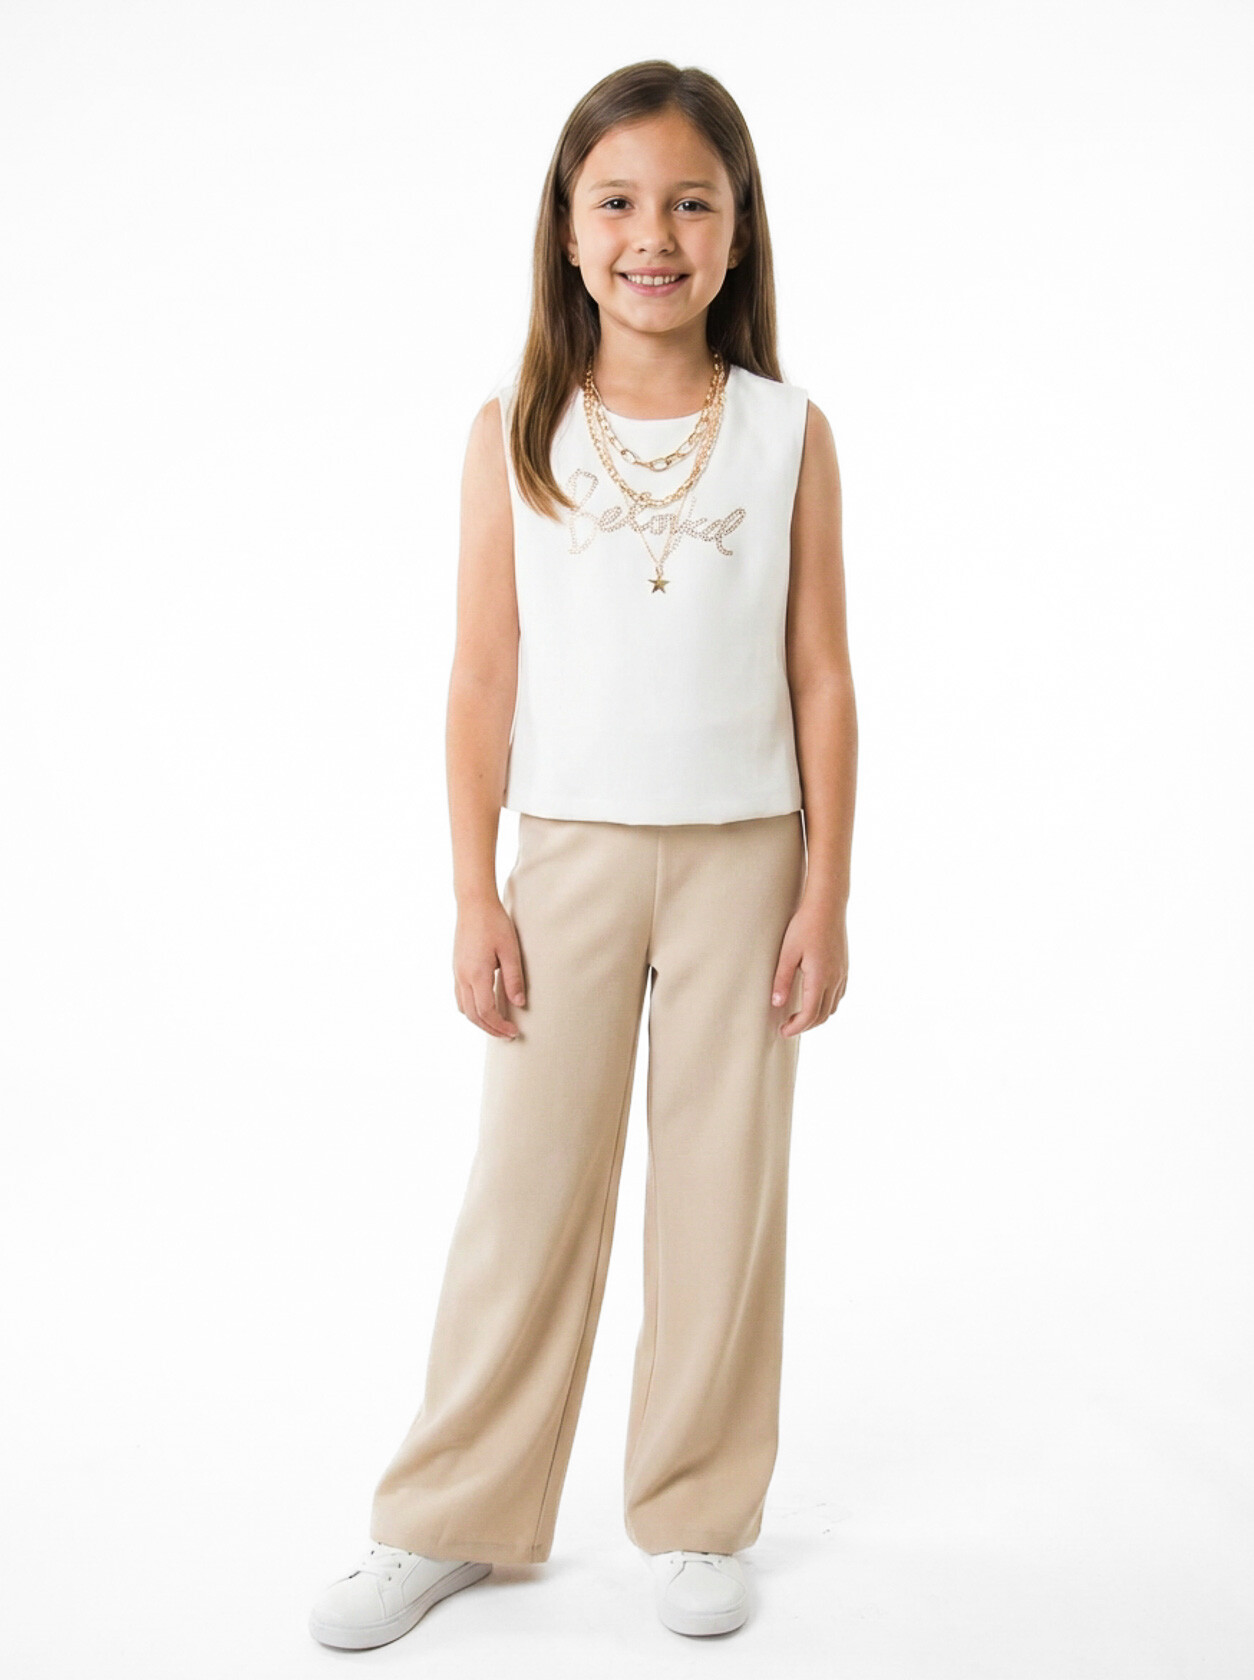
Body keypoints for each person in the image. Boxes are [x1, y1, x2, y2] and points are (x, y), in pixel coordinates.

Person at [309, 57, 856, 1648]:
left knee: (720, 1192)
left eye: (690, 203)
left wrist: (827, 889)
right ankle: (450, 1516)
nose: (652, 237)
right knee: (525, 1191)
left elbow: (821, 675)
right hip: (566, 859)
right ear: (564, 227)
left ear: (738, 229)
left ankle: (694, 1514)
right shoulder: (515, 428)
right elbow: (482, 677)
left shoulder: (788, 433)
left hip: (747, 858)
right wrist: (470, 892)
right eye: (616, 202)